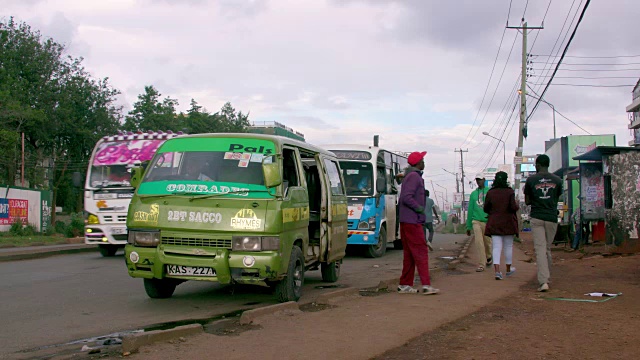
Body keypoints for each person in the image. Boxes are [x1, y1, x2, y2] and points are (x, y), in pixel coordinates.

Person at [397, 151, 439, 295]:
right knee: (421, 252)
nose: (424, 162)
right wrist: (419, 208)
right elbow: (406, 198)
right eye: (422, 160)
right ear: (418, 163)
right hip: (412, 221)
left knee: (409, 255)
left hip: (406, 220)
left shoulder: (409, 176)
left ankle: (405, 285)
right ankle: (426, 285)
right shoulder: (415, 177)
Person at [524, 154, 563, 292]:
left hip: (537, 217)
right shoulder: (557, 180)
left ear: (538, 165)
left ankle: (544, 281)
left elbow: (528, 201)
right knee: (546, 248)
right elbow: (556, 197)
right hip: (551, 218)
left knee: (540, 249)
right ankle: (546, 276)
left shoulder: (531, 180)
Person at [483, 171, 519, 280]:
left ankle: (497, 272)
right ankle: (508, 269)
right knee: (508, 246)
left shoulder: (491, 192)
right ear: (506, 179)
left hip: (494, 223)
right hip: (508, 223)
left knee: (496, 247)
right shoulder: (510, 192)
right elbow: (513, 207)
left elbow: (485, 208)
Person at [466, 173, 492, 272]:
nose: (478, 182)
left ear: (484, 180)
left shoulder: (489, 192)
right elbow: (470, 210)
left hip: (487, 221)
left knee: (487, 243)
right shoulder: (473, 194)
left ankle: (489, 256)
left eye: (480, 179)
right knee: (479, 242)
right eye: (477, 180)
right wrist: (468, 226)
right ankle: (482, 264)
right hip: (476, 221)